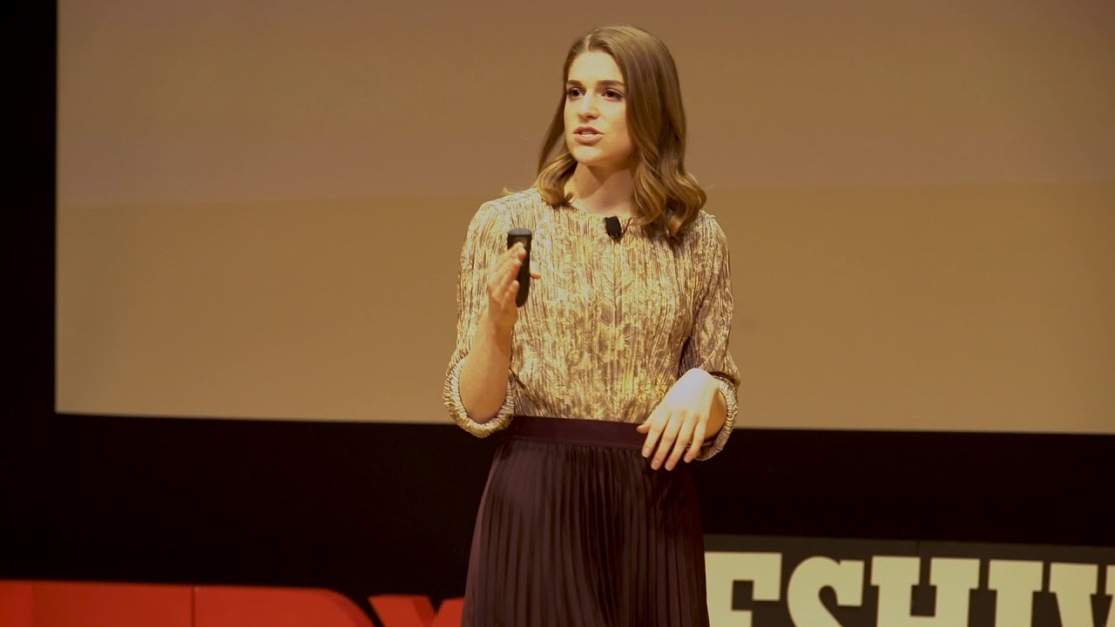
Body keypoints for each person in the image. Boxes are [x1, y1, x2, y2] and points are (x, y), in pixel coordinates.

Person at [443, 24, 739, 627]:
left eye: (611, 94)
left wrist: (705, 386)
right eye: (575, 91)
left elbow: (715, 412)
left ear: (652, 107)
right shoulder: (505, 222)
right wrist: (496, 326)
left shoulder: (696, 236)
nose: (585, 109)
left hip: (650, 503)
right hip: (536, 499)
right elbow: (475, 411)